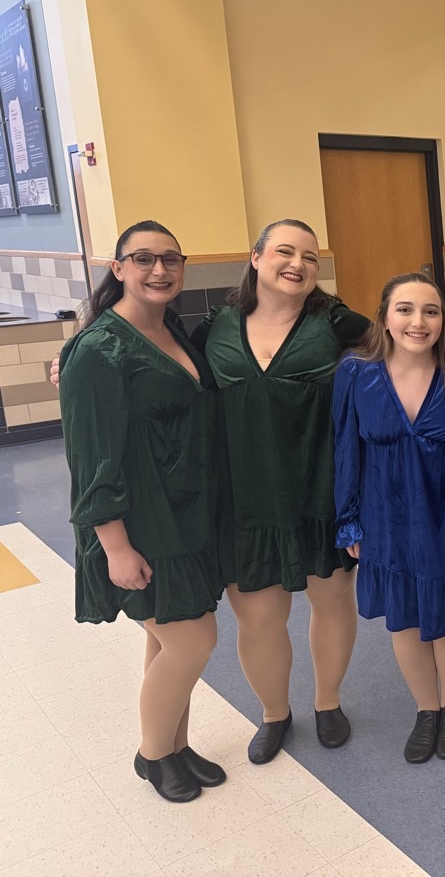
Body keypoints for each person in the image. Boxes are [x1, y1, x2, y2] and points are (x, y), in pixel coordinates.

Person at [60, 221, 226, 803]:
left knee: (166, 640)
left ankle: (174, 745)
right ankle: (152, 755)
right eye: (144, 259)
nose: (160, 270)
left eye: (171, 259)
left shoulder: (173, 328)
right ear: (118, 268)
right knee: (192, 641)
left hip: (184, 514)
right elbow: (90, 458)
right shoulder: (98, 349)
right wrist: (115, 547)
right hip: (138, 524)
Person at [196, 219, 369, 762]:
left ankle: (327, 701)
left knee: (331, 600)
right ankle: (274, 713)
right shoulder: (215, 326)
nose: (297, 264)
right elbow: (149, 351)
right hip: (244, 497)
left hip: (320, 490)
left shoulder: (333, 320)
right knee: (259, 616)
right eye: (285, 252)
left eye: (310, 258)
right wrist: (75, 351)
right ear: (256, 257)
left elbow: (409, 343)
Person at [332, 273, 445, 763]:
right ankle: (426, 710)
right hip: (386, 512)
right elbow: (345, 448)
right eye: (405, 309)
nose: (418, 322)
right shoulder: (357, 372)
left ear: (444, 319)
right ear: (383, 316)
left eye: (431, 311)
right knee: (404, 620)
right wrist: (349, 518)